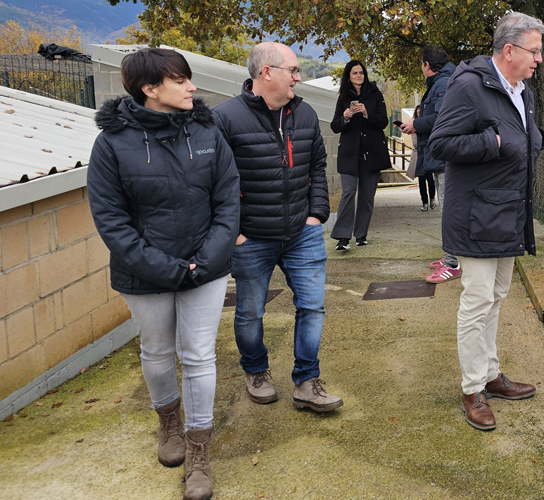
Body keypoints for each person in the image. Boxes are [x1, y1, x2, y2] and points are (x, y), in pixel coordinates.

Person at [87, 47, 240, 500]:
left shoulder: (207, 131)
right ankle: (168, 422)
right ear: (150, 89)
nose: (192, 87)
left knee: (198, 355)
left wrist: (205, 261)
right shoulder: (112, 144)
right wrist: (167, 268)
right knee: (156, 350)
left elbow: (228, 199)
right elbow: (112, 221)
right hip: (144, 273)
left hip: (205, 268)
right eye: (180, 80)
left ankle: (198, 450)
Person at [429, 13, 544, 431]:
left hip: (508, 212)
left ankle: (491, 374)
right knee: (477, 301)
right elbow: (440, 143)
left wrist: (532, 141)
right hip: (476, 216)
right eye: (534, 51)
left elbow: (523, 137)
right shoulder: (470, 86)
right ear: (509, 50)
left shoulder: (522, 91)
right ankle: (472, 390)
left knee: (496, 297)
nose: (539, 59)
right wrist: (491, 142)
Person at [213, 42, 343, 413]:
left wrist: (317, 215)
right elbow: (214, 182)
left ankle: (306, 381)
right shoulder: (225, 118)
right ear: (267, 72)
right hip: (251, 237)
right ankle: (256, 371)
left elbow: (317, 166)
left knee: (312, 308)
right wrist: (235, 233)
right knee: (251, 312)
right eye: (293, 70)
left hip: (302, 233)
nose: (299, 77)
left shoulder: (304, 114)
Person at [399, 46, 460, 284]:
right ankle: (451, 255)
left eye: (421, 64)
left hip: (446, 157)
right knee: (448, 208)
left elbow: (441, 117)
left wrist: (415, 124)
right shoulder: (443, 81)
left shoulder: (442, 83)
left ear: (427, 64)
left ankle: (453, 263)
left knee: (449, 211)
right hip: (441, 156)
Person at [329, 60, 392, 251]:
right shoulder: (343, 97)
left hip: (371, 154)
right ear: (348, 77)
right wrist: (345, 118)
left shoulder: (375, 94)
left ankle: (361, 235)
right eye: (355, 73)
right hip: (349, 154)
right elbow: (334, 126)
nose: (359, 76)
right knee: (348, 192)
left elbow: (383, 121)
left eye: (361, 73)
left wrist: (366, 113)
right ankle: (342, 237)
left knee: (367, 196)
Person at [410, 105, 435, 211]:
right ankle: (424, 202)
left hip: (428, 156)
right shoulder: (414, 125)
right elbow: (415, 143)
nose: (419, 114)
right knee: (421, 181)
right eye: (418, 112)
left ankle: (432, 198)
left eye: (421, 112)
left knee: (430, 179)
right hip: (419, 156)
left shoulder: (428, 124)